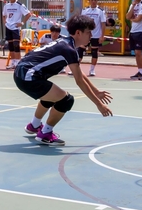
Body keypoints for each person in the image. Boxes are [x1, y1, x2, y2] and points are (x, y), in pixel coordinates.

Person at [14, 15, 113, 146]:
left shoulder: (65, 43)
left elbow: (79, 73)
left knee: (52, 96)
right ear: (78, 33)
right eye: (88, 32)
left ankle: (34, 125)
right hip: (28, 77)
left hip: (23, 74)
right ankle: (45, 134)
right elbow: (79, 81)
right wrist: (99, 104)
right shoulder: (69, 49)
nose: (91, 35)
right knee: (66, 100)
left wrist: (96, 91)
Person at [2, 0, 31, 69]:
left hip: (15, 28)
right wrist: (5, 22)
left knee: (16, 45)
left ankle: (18, 63)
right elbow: (4, 15)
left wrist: (22, 23)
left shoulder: (20, 5)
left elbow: (28, 14)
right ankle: (13, 62)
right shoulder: (6, 5)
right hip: (8, 27)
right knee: (10, 46)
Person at [79, 0, 107, 77]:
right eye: (91, 0)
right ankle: (76, 68)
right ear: (89, 0)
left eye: (95, 0)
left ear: (97, 0)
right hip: (86, 35)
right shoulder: (85, 10)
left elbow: (103, 24)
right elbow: (81, 23)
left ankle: (92, 69)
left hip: (96, 35)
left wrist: (102, 36)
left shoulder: (101, 11)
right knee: (80, 50)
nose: (93, 1)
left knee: (94, 52)